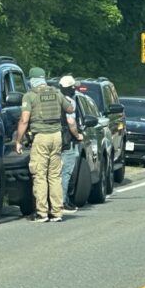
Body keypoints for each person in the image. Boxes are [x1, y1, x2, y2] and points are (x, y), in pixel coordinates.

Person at [15, 67, 82, 223]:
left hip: (41, 137)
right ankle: (57, 212)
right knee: (54, 175)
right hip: (57, 137)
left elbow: (24, 120)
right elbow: (70, 108)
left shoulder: (30, 96)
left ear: (32, 80)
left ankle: (42, 213)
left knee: (40, 175)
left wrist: (18, 141)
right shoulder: (56, 92)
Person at [58, 75, 82, 213]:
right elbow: (71, 121)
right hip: (67, 141)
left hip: (52, 139)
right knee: (66, 172)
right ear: (71, 88)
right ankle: (63, 201)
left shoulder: (55, 99)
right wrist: (78, 135)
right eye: (74, 87)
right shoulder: (69, 102)